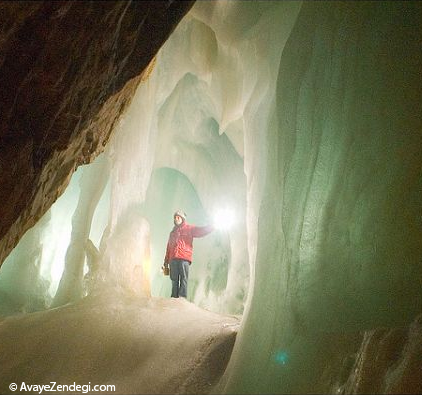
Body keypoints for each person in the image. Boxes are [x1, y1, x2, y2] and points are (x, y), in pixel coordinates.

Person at [163, 210, 214, 298]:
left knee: (183, 278)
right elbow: (169, 248)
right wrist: (166, 262)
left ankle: (182, 298)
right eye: (175, 218)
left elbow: (200, 231)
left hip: (184, 258)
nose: (176, 219)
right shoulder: (172, 233)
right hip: (173, 259)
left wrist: (211, 227)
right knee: (174, 279)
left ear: (182, 218)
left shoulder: (189, 228)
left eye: (178, 217)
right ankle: (173, 298)